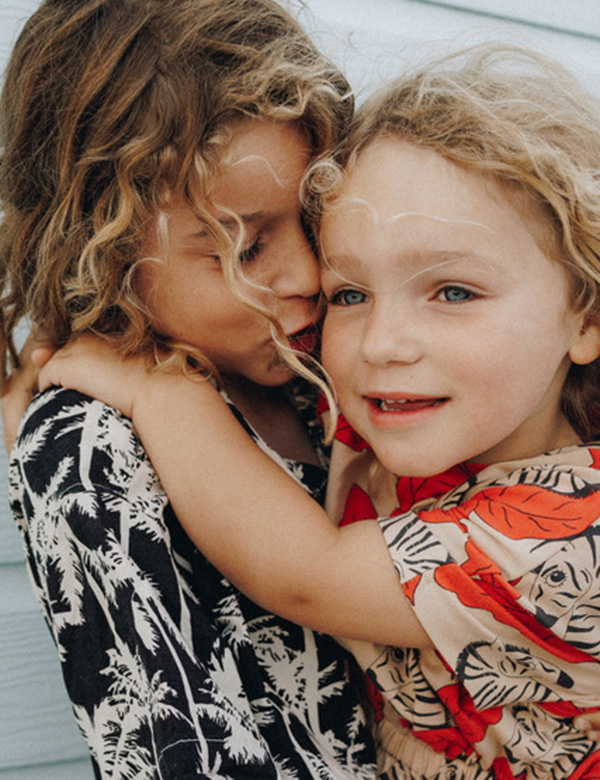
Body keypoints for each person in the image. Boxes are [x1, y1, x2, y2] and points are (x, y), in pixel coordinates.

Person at [31, 44, 600, 778]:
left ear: (584, 316)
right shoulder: (399, 417)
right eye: (350, 294)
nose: (383, 344)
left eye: (453, 292)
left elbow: (308, 572)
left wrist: (154, 389)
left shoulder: (569, 535)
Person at [0, 0, 380, 777]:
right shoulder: (89, 450)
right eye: (243, 248)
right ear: (99, 244)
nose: (306, 275)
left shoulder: (315, 366)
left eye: (312, 218)